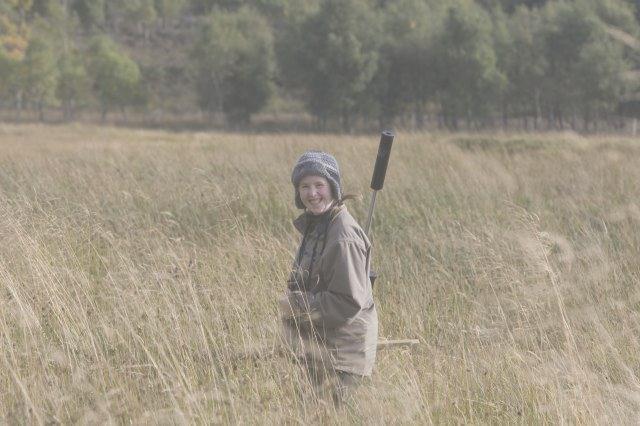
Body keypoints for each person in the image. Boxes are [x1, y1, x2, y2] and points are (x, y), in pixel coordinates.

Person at [279, 150, 378, 404]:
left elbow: (346, 302)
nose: (312, 194)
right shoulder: (318, 225)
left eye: (319, 185)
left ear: (333, 188)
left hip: (340, 357)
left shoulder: (343, 236)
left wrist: (296, 305)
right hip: (322, 350)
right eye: (305, 186)